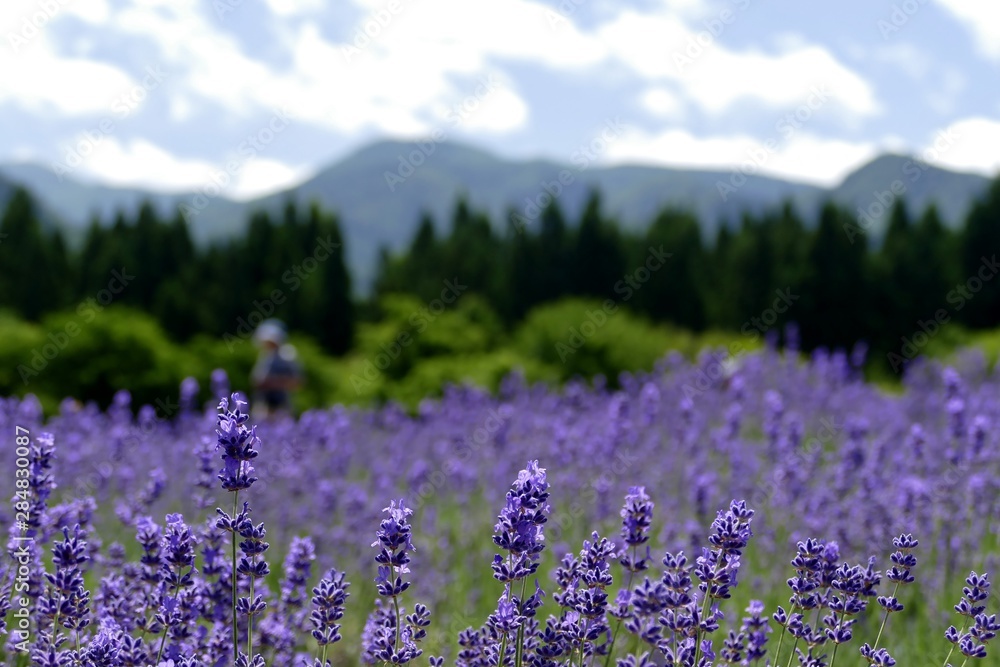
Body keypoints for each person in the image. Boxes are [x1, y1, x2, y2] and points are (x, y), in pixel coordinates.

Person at [251, 319, 302, 417]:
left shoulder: (287, 355)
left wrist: (273, 383)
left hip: (282, 405)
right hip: (263, 405)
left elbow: (298, 381)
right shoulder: (265, 356)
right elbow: (256, 380)